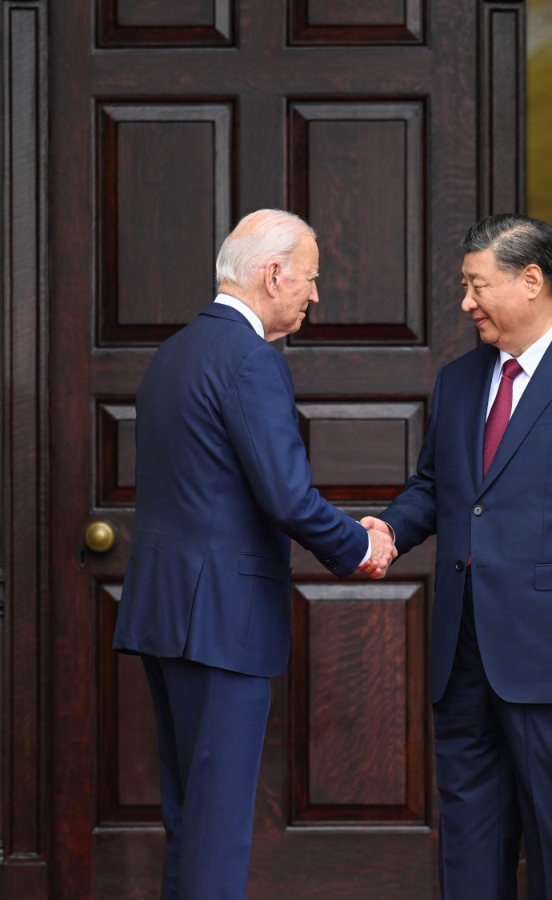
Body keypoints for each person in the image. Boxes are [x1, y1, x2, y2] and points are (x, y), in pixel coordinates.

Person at [362, 214, 552, 899]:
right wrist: (384, 531)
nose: (466, 303)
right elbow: (436, 488)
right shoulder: (459, 381)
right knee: (470, 835)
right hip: (465, 649)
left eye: (477, 285)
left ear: (531, 281)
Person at [112, 209, 396, 900]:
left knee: (191, 816)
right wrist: (362, 544)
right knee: (217, 824)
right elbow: (289, 498)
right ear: (274, 275)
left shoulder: (174, 352)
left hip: (166, 612)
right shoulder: (250, 360)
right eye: (312, 277)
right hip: (222, 622)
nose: (316, 294)